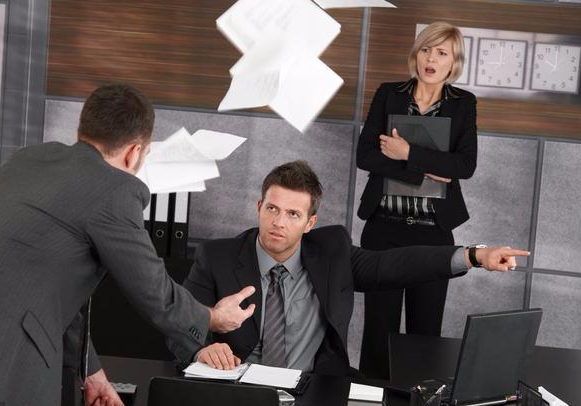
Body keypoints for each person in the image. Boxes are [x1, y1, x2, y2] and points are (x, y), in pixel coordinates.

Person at [0, 84, 255, 406]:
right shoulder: (115, 190)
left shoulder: (29, 159)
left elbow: (46, 290)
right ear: (134, 152)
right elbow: (154, 292)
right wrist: (213, 317)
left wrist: (91, 372)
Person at [168, 160, 527, 376]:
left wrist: (474, 255)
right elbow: (178, 324)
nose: (278, 222)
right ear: (259, 207)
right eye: (272, 209)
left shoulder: (331, 252)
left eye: (293, 214)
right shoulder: (217, 257)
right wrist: (200, 350)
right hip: (241, 388)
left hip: (314, 389)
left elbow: (395, 264)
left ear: (310, 223)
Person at [355, 22, 478, 379]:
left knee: (425, 334)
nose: (431, 59)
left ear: (454, 61)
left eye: (441, 53)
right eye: (426, 49)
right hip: (383, 231)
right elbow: (366, 155)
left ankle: (418, 399)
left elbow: (464, 166)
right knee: (378, 334)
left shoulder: (463, 104)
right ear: (416, 53)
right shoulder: (388, 94)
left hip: (432, 234)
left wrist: (407, 152)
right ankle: (372, 398)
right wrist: (427, 169)